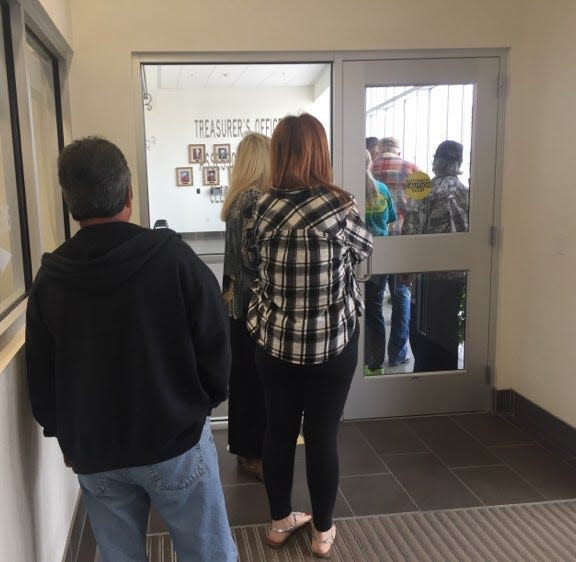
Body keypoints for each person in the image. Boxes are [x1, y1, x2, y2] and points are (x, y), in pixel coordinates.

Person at [25, 137, 236, 562]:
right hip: (174, 440)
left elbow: (42, 375)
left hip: (95, 451)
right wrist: (201, 403)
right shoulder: (173, 258)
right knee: (207, 554)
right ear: (128, 194)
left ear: (70, 203)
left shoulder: (51, 279)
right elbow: (215, 339)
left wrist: (64, 434)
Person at [245, 114, 373, 558]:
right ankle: (321, 533)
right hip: (331, 344)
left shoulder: (258, 206)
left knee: (277, 432)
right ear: (320, 151)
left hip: (274, 342)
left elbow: (250, 262)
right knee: (322, 436)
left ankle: (280, 523)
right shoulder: (341, 206)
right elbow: (365, 250)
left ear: (279, 154)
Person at [220, 132, 270, 481]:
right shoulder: (255, 201)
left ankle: (244, 449)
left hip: (237, 306)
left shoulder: (236, 200)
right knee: (256, 382)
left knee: (243, 379)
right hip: (255, 308)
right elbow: (255, 258)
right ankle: (255, 453)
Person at [404, 140, 469, 372]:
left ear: (436, 162)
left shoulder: (425, 191)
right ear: (458, 163)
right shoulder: (467, 193)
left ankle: (425, 373)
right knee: (448, 325)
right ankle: (448, 373)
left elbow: (412, 230)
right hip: (459, 272)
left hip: (428, 273)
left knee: (422, 326)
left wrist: (406, 271)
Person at [371, 137, 421, 367]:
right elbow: (421, 204)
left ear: (380, 149)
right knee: (401, 297)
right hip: (403, 241)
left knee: (375, 299)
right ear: (398, 150)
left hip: (377, 241)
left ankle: (374, 355)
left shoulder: (370, 166)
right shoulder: (411, 168)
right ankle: (397, 353)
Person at [362, 150, 397, 376]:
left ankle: (358, 361)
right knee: (375, 310)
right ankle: (375, 364)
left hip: (357, 255)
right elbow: (392, 220)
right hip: (381, 254)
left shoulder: (349, 191)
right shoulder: (383, 190)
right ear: (370, 163)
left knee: (355, 309)